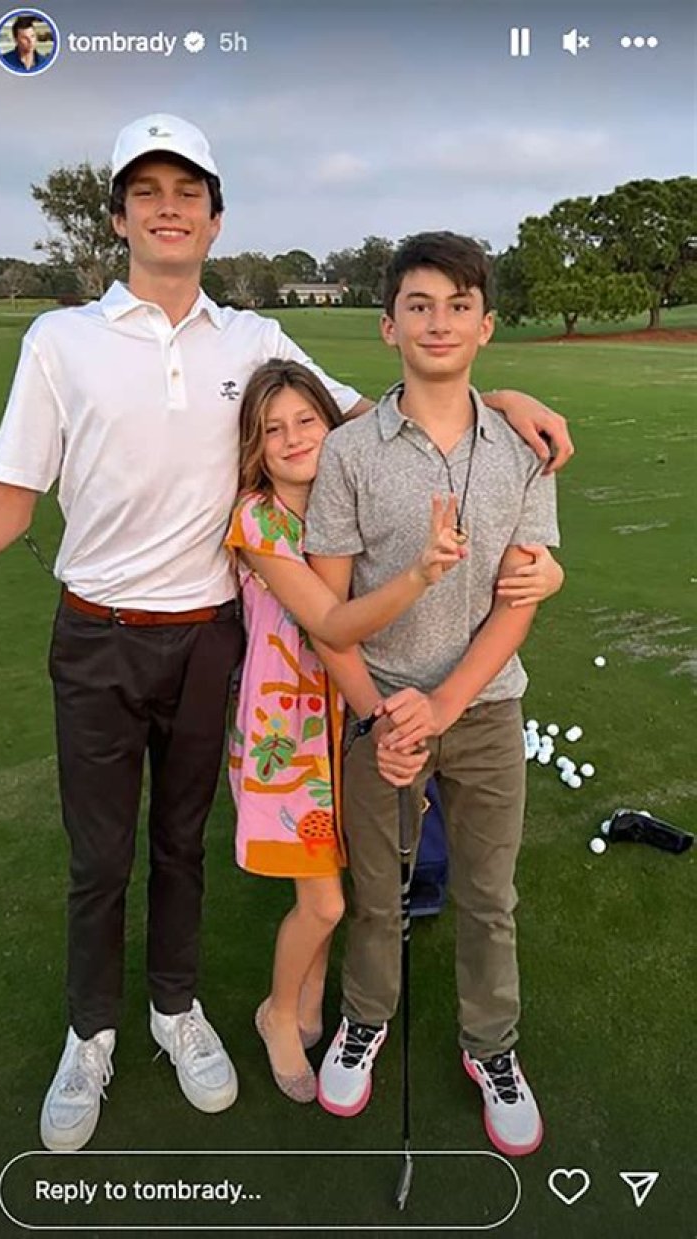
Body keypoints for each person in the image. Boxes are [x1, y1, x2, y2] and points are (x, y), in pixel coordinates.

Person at [0, 112, 570, 1152]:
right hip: (98, 634)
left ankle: (175, 1012)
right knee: (100, 856)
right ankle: (90, 1035)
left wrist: (505, 395)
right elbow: (9, 507)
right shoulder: (58, 341)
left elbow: (379, 409)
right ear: (117, 215)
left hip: (213, 638)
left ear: (215, 218)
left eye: (189, 193)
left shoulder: (253, 339)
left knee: (182, 845)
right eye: (147, 192)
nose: (169, 209)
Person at [305, 231, 563, 1156]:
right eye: (419, 305)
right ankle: (364, 1019)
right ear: (388, 326)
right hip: (379, 710)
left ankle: (491, 1045)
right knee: (377, 895)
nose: (439, 322)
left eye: (459, 306)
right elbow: (327, 615)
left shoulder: (523, 449)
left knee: (490, 896)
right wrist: (381, 716)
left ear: (487, 326)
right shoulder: (347, 453)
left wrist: (444, 705)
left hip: (484, 708)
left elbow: (519, 600)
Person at [225, 359, 474, 1103]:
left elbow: (428, 408)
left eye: (307, 420)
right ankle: (277, 1012)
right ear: (256, 447)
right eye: (273, 430)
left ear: (332, 426)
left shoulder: (347, 502)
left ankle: (308, 1005)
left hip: (346, 720)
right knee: (325, 902)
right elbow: (330, 622)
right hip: (286, 735)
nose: (293, 438)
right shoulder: (258, 519)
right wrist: (419, 574)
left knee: (335, 878)